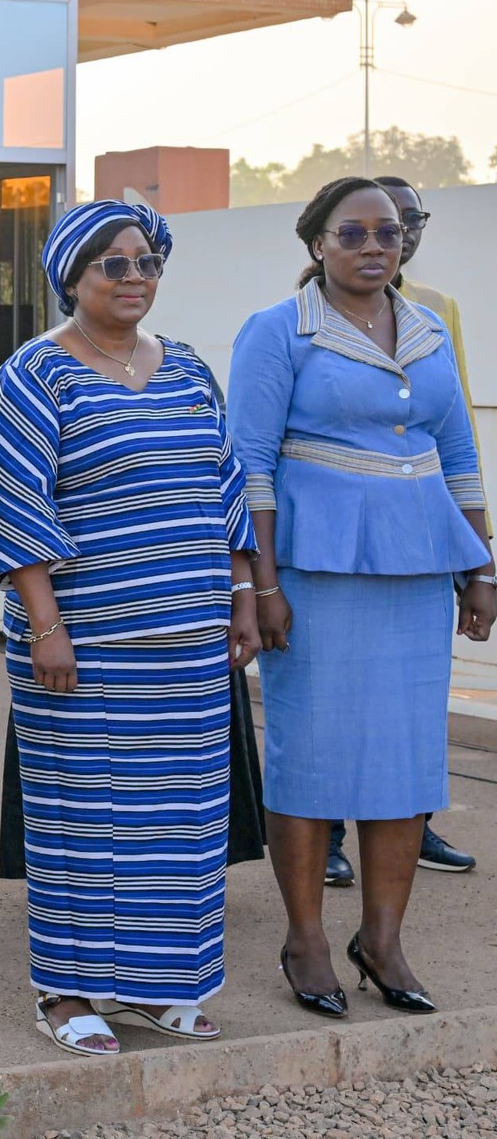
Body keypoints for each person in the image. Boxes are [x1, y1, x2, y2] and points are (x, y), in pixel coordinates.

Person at [0, 200, 260, 1058]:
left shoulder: (188, 368)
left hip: (190, 640)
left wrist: (243, 597)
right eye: (114, 263)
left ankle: (160, 988)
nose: (135, 276)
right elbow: (18, 503)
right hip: (85, 643)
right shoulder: (35, 374)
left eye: (147, 261)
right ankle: (66, 992)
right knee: (82, 820)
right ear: (72, 278)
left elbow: (226, 486)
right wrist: (45, 627)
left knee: (182, 820)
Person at [229, 176, 493, 1022]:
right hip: (313, 572)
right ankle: (306, 937)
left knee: (407, 762)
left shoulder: (427, 329)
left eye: (389, 232)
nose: (375, 245)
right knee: (309, 756)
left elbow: (459, 451)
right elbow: (249, 464)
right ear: (317, 243)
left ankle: (382, 939)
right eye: (353, 232)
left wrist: (483, 567)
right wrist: (262, 583)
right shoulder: (278, 330)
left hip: (416, 570)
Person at [320, 176, 479, 884]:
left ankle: (416, 825)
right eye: (377, 225)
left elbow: (457, 431)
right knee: (335, 696)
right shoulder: (312, 310)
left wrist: (477, 555)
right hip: (338, 540)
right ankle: (327, 832)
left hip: (422, 532)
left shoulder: (437, 310)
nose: (396, 236)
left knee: (413, 699)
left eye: (409, 222)